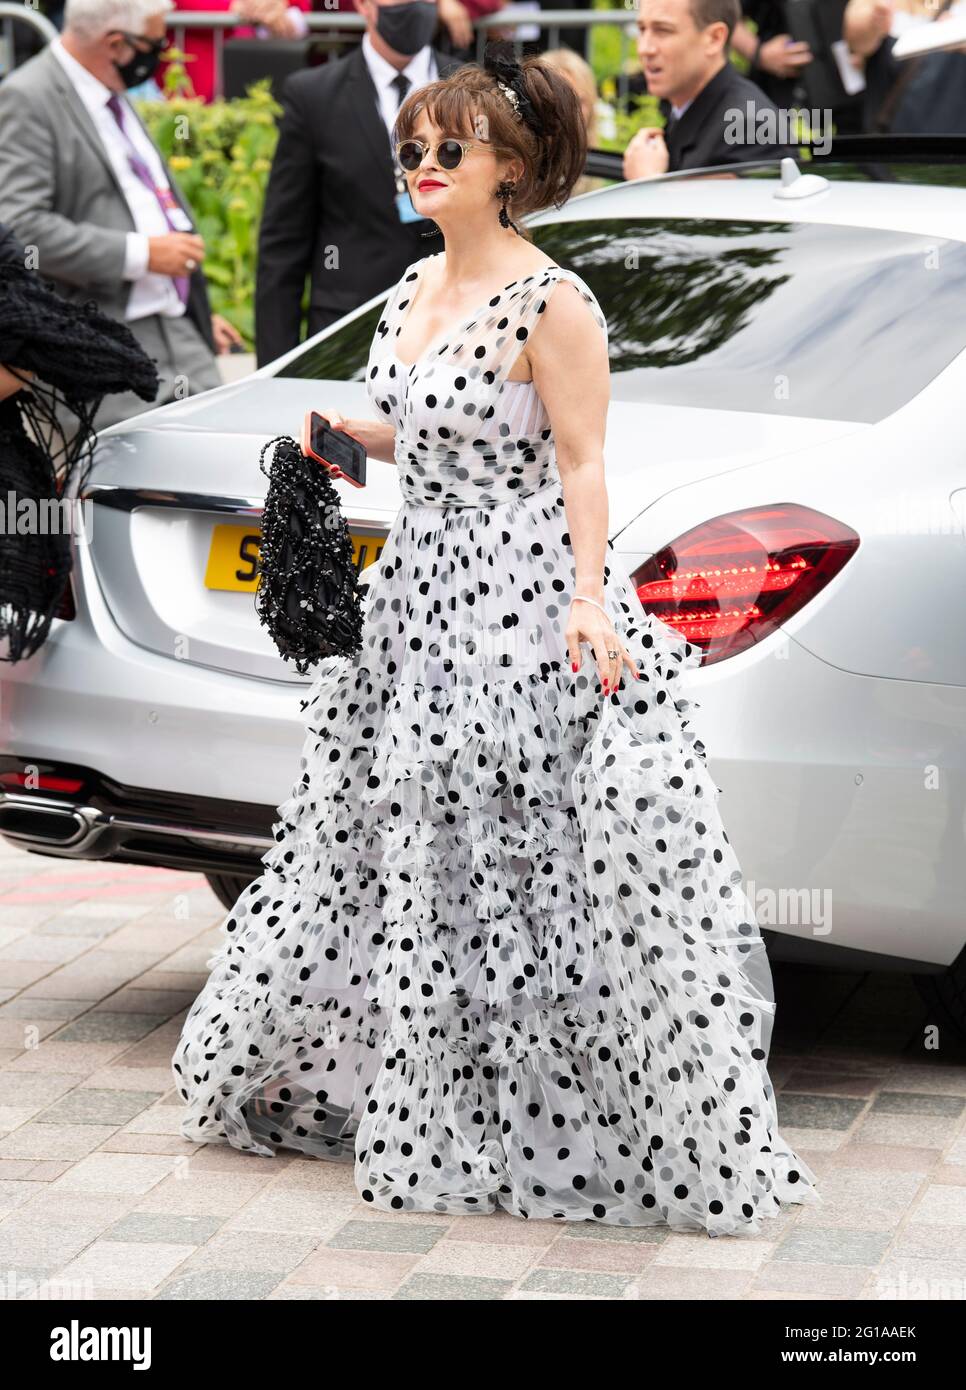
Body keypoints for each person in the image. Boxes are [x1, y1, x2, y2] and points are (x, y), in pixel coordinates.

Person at [172, 40, 822, 1235]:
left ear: (511, 168)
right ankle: (424, 1090)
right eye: (412, 148)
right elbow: (422, 425)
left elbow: (581, 459)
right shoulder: (415, 287)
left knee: (521, 846)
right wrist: (342, 440)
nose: (422, 164)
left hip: (517, 596)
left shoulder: (553, 298)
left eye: (448, 150)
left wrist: (588, 598)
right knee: (409, 833)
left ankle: (550, 1111)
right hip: (418, 592)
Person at [0, 0, 242, 438]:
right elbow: (20, 226)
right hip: (105, 341)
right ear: (116, 44)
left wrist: (191, 305)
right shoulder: (29, 96)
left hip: (177, 331)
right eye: (154, 41)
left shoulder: (106, 89)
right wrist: (142, 254)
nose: (161, 53)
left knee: (215, 464)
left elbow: (144, 199)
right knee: (131, 490)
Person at [254, 0, 467, 367]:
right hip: (350, 338)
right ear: (365, 6)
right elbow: (284, 243)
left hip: (459, 335)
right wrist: (276, 368)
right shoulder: (314, 95)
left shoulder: (474, 93)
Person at [624, 0, 796, 179]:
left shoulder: (746, 128)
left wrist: (646, 181)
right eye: (642, 29)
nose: (645, 48)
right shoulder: (687, 104)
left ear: (715, 38)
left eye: (663, 31)